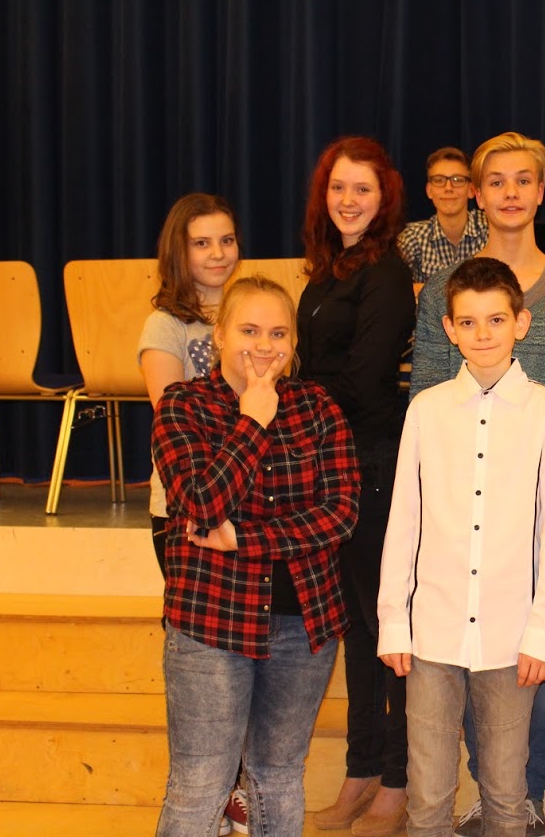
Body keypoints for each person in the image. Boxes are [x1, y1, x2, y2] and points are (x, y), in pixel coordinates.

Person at [410, 131, 545, 837]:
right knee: (465, 652)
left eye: (524, 180)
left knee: (530, 654)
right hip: (463, 505)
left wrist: (544, 473)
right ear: (477, 194)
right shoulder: (449, 291)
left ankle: (524, 796)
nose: (511, 192)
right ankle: (490, 792)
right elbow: (429, 392)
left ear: (541, 192)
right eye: (497, 181)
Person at [152, 275, 361, 837]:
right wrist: (252, 421)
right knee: (201, 783)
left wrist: (245, 539)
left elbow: (340, 513)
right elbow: (201, 504)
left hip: (304, 624)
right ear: (218, 335)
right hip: (210, 623)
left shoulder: (318, 407)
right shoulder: (183, 406)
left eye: (278, 333)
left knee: (278, 775)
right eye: (249, 331)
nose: (264, 346)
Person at [377, 257, 545, 837]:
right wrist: (393, 621)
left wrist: (543, 631)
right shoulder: (426, 409)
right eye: (468, 322)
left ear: (521, 323)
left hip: (511, 637)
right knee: (427, 798)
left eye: (496, 320)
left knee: (506, 797)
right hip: (431, 633)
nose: (482, 334)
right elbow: (404, 522)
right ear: (449, 329)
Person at [297, 136, 416, 837]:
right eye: (339, 187)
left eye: (362, 189)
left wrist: (287, 404)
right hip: (330, 465)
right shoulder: (327, 271)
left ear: (383, 198)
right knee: (355, 630)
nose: (348, 200)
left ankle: (398, 781)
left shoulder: (385, 273)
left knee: (385, 628)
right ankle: (360, 772)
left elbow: (365, 380)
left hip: (372, 467)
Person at [137, 192, 245, 836]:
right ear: (179, 252)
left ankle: (234, 791)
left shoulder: (247, 311)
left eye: (226, 240)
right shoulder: (165, 325)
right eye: (202, 242)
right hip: (185, 510)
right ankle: (206, 793)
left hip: (249, 511)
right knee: (203, 659)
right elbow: (171, 420)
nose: (217, 253)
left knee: (242, 654)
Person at [397, 146, 489, 282]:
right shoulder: (412, 237)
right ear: (429, 190)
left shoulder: (489, 230)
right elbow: (396, 286)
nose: (448, 188)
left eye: (457, 180)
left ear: (471, 190)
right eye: (439, 180)